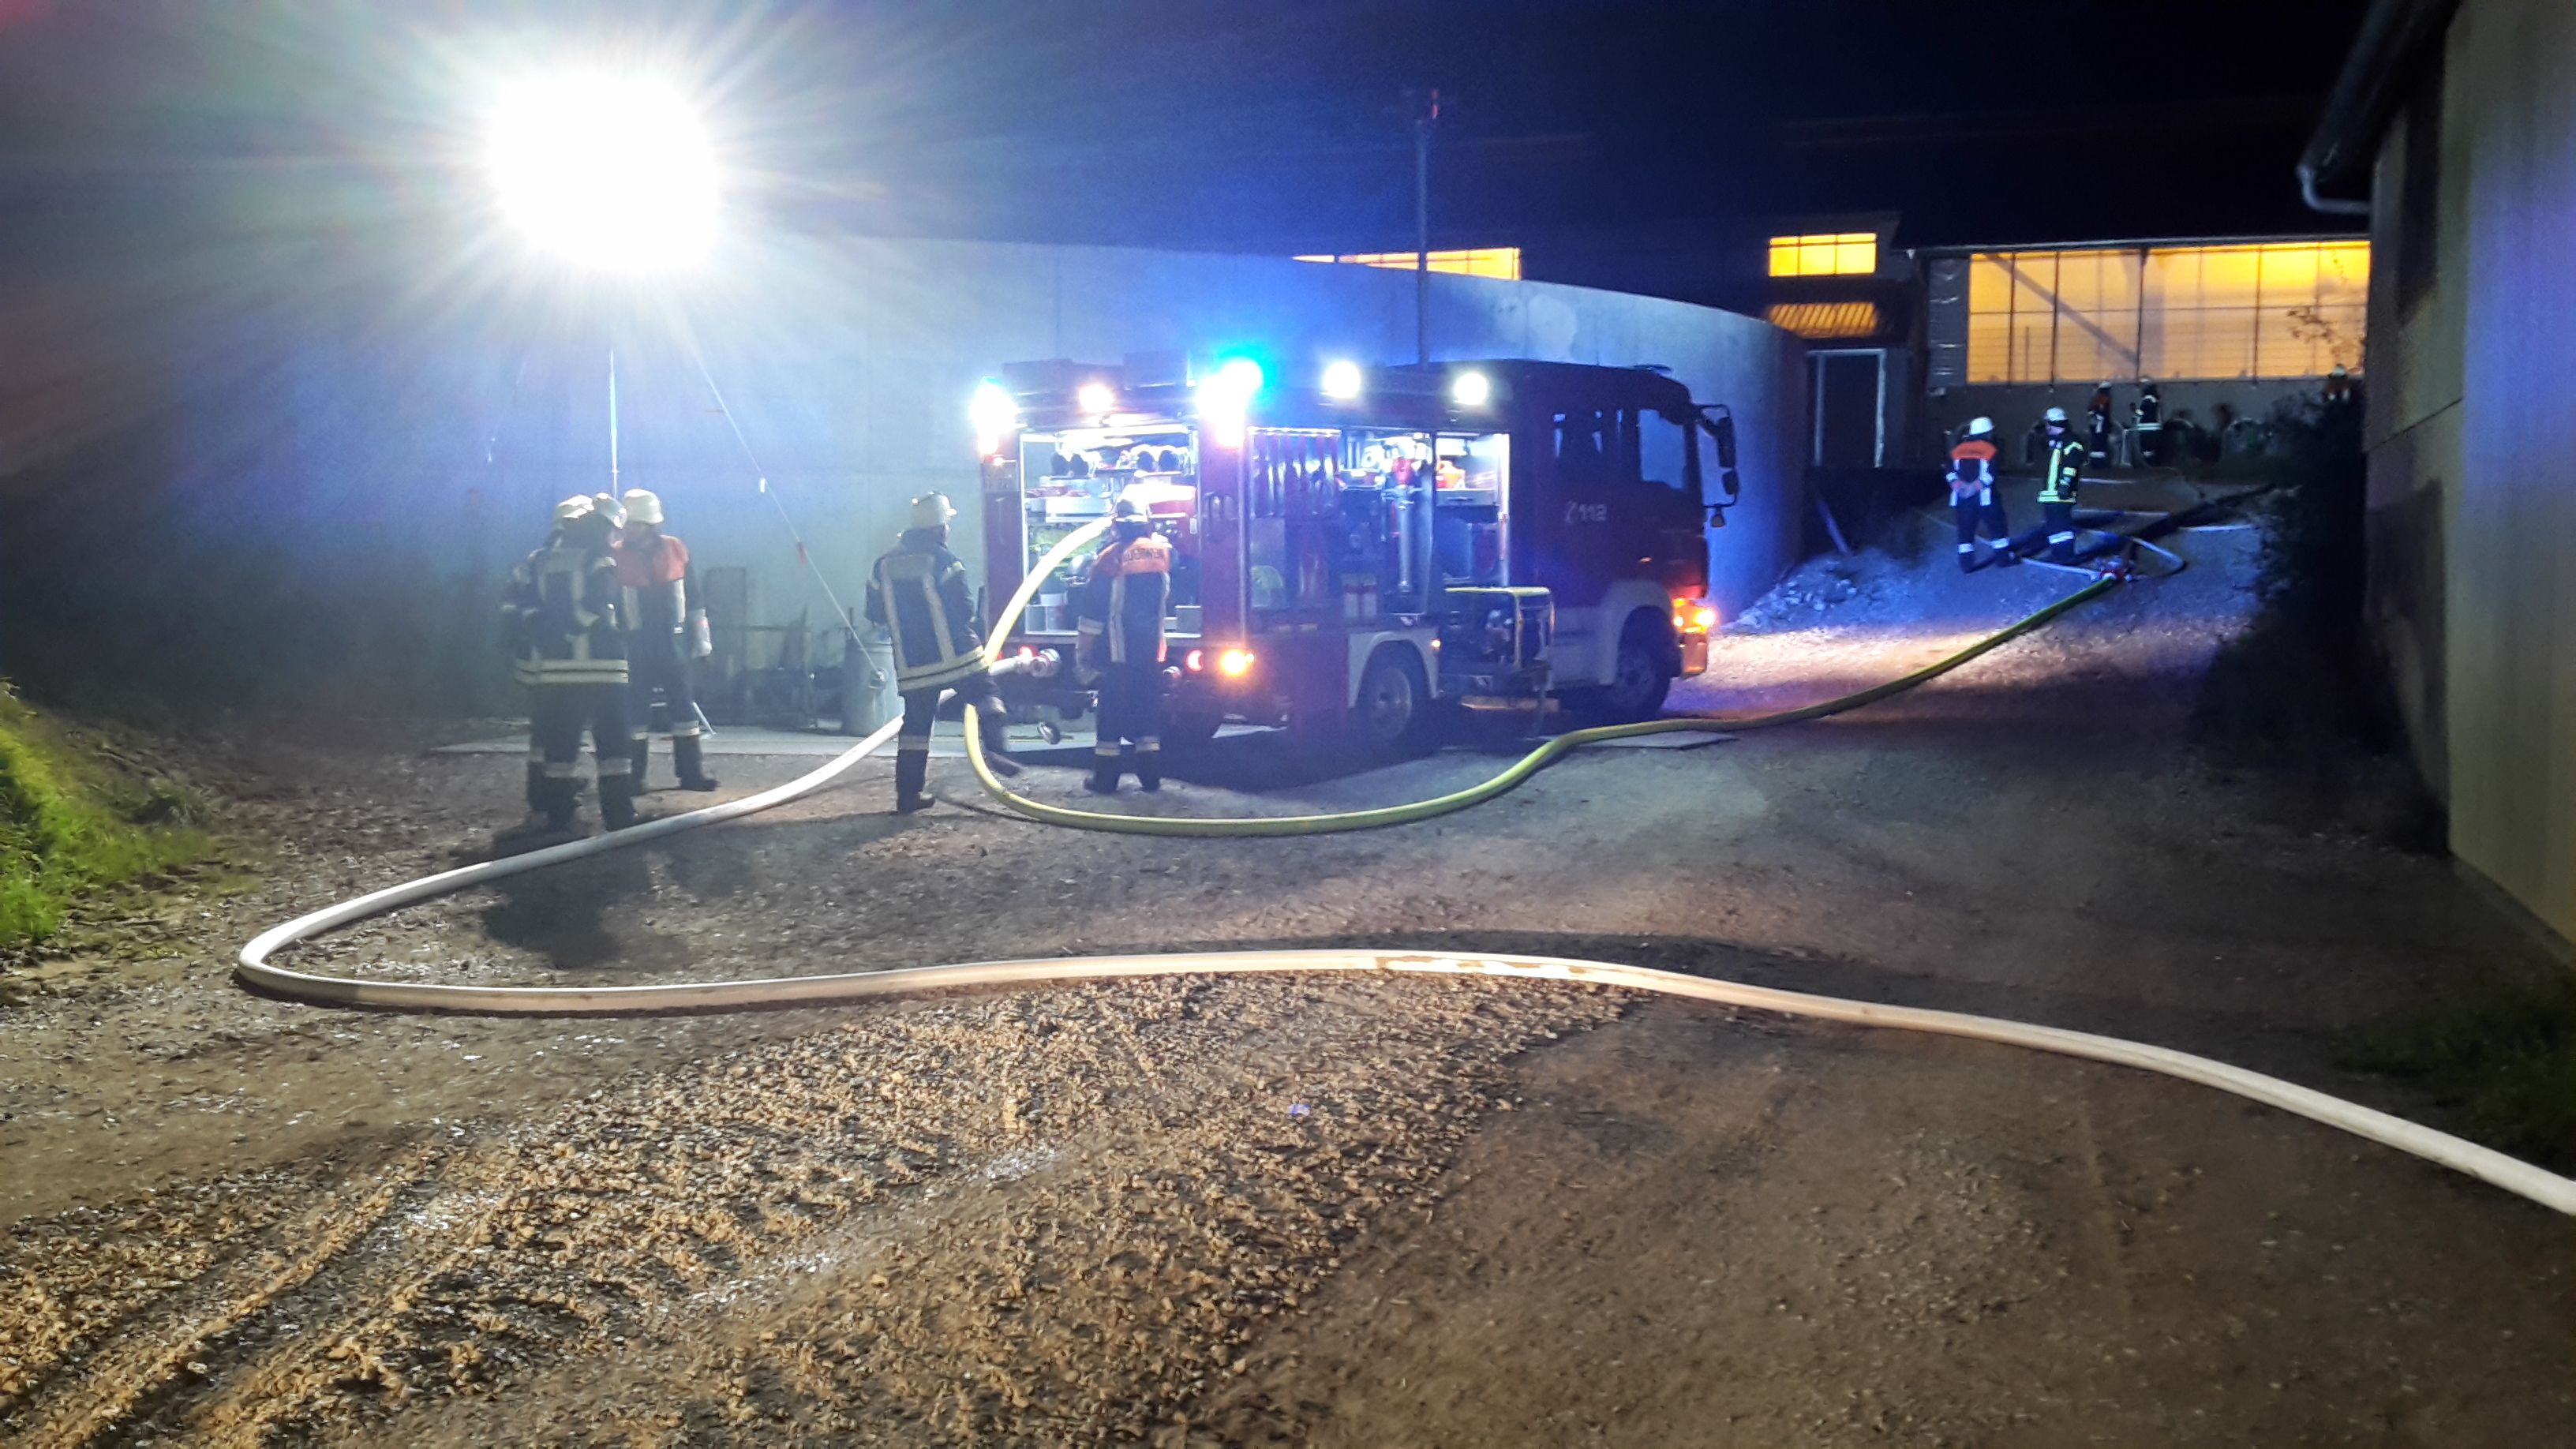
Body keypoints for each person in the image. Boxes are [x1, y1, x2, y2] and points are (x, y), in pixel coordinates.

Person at [863, 492, 1020, 814]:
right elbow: (964, 608)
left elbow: (875, 614)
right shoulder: (945, 561)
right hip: (957, 655)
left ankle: (908, 796)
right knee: (986, 695)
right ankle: (998, 750)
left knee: (916, 729)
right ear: (939, 529)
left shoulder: (883, 565)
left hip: (913, 663)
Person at [502, 496, 636, 831]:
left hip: (556, 671)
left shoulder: (538, 561)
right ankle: (619, 814)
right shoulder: (599, 559)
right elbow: (601, 600)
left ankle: (559, 815)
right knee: (614, 745)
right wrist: (572, 630)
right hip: (604, 669)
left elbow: (524, 606)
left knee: (559, 745)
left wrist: (548, 637)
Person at [612, 488, 717, 792]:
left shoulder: (675, 549)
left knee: (684, 710)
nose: (630, 529)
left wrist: (702, 640)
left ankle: (691, 774)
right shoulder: (615, 555)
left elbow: (695, 598)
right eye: (627, 524)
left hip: (675, 642)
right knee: (635, 713)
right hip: (635, 644)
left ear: (650, 524)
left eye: (636, 524)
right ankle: (633, 778)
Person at [1077, 497, 1174, 792]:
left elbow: (1093, 614)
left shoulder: (1110, 559)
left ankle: (1105, 780)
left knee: (1110, 717)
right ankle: (1151, 777)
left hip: (1117, 654)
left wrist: (1084, 655)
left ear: (1116, 525)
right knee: (1147, 713)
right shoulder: (1163, 554)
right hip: (1151, 652)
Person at [1945, 417, 2016, 571]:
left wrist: (1960, 487)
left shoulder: (1957, 450)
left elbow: (1950, 473)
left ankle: (1966, 566)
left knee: (1965, 533)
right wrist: (1974, 488)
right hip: (1985, 498)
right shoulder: (1991, 450)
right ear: (1987, 433)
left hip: (1961, 499)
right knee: (1998, 529)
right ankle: (2003, 560)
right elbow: (1990, 475)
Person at [2038, 406, 2086, 562]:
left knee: (2062, 525)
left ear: (2051, 424)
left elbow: (2071, 465)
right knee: (2053, 525)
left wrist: (2065, 485)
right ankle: (2057, 553)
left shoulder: (2072, 442)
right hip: (2050, 493)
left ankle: (2066, 555)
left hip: (2062, 493)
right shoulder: (2054, 442)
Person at [2132, 379, 2166, 466]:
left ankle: (2147, 465)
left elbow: (2140, 413)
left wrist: (2133, 409)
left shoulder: (2146, 400)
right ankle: (2153, 464)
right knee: (2151, 448)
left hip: (2145, 427)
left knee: (2145, 448)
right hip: (2155, 427)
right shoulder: (2156, 401)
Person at [2086, 382, 2114, 462]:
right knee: (2100, 441)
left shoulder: (2097, 399)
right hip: (2100, 426)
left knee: (2097, 441)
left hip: (2098, 425)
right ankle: (2099, 460)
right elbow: (2104, 413)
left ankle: (2096, 459)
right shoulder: (2103, 399)